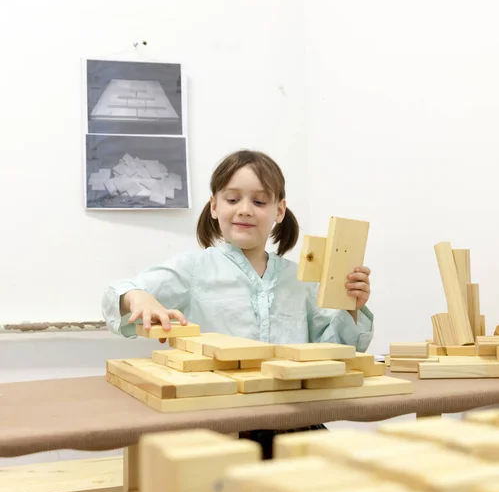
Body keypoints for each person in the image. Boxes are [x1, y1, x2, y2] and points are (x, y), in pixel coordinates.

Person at [102, 149, 373, 457]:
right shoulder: (193, 269)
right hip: (218, 426)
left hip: (294, 424)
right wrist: (140, 298)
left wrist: (350, 305)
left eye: (259, 202)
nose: (245, 210)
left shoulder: (301, 278)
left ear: (279, 211)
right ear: (214, 206)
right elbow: (120, 291)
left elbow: (335, 350)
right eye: (233, 200)